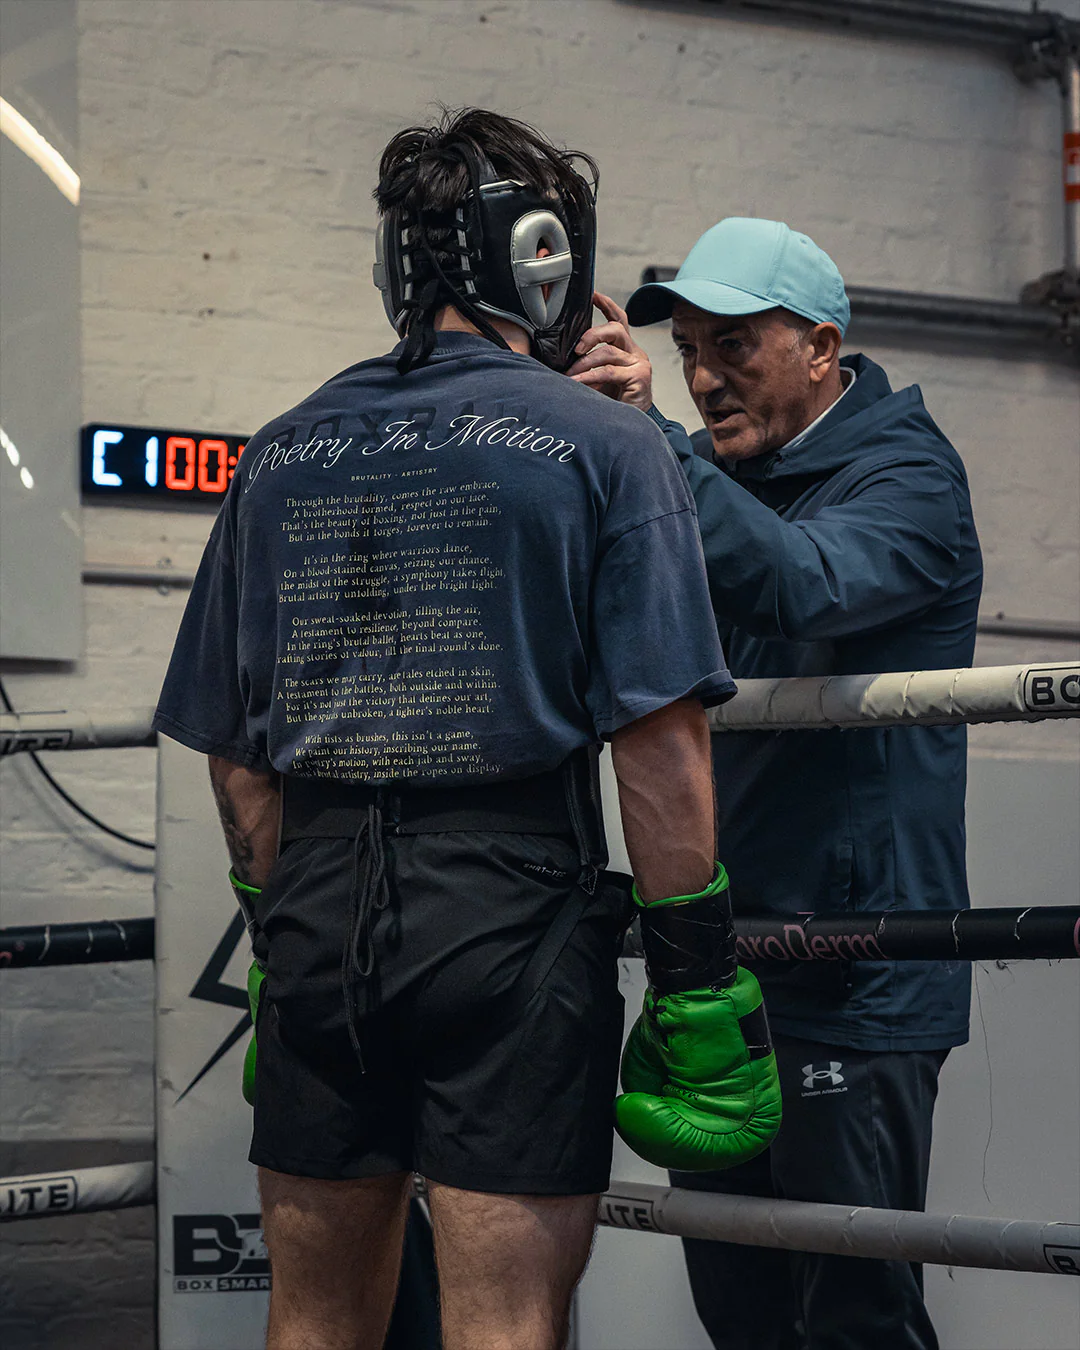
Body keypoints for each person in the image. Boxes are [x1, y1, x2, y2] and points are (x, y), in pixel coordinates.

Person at [153, 115, 780, 1350]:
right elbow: (660, 748)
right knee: (505, 1327)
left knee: (312, 1324)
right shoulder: (607, 444)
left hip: (319, 911)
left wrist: (280, 931)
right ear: (543, 257)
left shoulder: (278, 453)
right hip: (511, 918)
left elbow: (237, 758)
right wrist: (697, 978)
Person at [568, 216, 983, 1350]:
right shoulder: (707, 474)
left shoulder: (909, 476)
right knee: (740, 1310)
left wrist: (649, 446)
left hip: (855, 971)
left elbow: (804, 583)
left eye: (735, 347)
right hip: (722, 967)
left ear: (821, 347)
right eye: (689, 351)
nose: (704, 379)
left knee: (855, 1316)